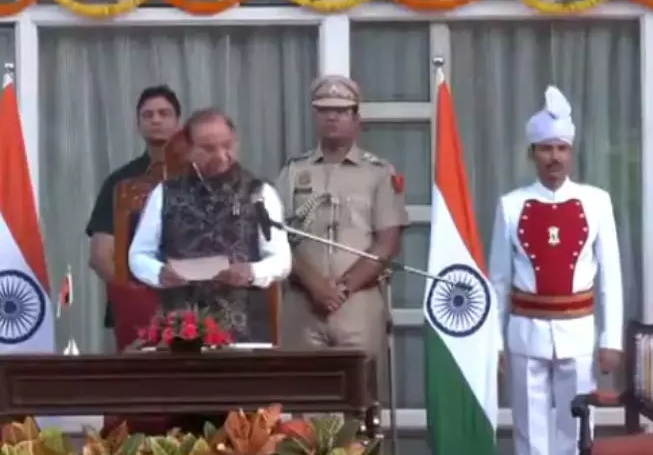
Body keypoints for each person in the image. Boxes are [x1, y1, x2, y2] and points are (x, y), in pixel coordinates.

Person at [489, 86, 624, 455]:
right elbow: (497, 279)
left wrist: (611, 338)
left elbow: (612, 278)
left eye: (561, 148)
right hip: (525, 330)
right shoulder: (510, 204)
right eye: (546, 148)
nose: (554, 157)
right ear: (532, 153)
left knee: (575, 432)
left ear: (571, 151)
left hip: (578, 330)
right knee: (529, 432)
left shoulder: (596, 201)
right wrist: (495, 343)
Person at [277, 76, 409, 399]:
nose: (331, 117)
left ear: (356, 118)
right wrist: (315, 286)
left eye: (341, 110)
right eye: (323, 110)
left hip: (357, 305)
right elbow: (275, 236)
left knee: (361, 402)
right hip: (304, 304)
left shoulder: (378, 172)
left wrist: (341, 289)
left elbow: (387, 241)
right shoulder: (294, 171)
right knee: (304, 405)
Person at [127, 108, 292, 343]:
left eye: (227, 145)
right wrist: (158, 273)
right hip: (180, 328)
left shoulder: (259, 193)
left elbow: (281, 260)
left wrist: (252, 272)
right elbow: (138, 255)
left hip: (242, 329)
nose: (220, 155)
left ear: (236, 143)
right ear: (189, 149)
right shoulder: (165, 193)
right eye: (208, 148)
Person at [84, 86, 187, 350]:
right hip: (137, 313)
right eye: (147, 115)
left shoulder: (199, 179)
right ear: (137, 126)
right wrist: (134, 298)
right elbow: (100, 255)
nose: (156, 120)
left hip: (194, 309)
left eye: (164, 113)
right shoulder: (120, 183)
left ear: (178, 122)